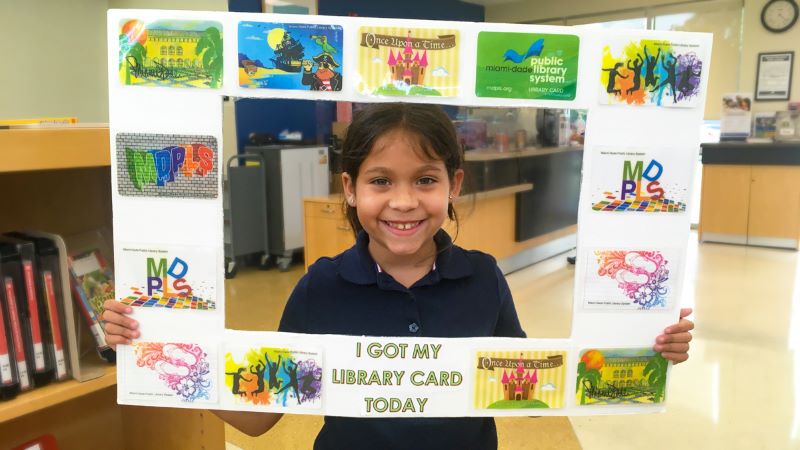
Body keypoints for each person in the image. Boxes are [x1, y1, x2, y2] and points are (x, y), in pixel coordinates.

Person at [102, 103, 695, 449]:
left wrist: (643, 351)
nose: (404, 202)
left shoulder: (484, 279)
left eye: (426, 180)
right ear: (350, 189)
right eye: (381, 181)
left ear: (454, 185)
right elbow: (260, 417)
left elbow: (531, 386)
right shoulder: (321, 287)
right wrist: (156, 349)